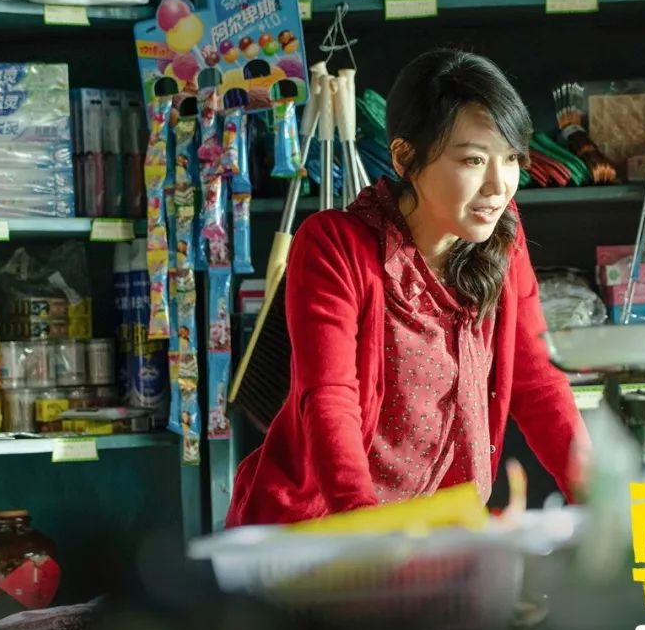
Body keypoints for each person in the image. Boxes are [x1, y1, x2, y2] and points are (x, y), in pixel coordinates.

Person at [226, 49, 588, 526]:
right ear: (405, 157)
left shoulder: (502, 239)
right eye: (474, 160)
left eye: (511, 159)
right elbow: (329, 398)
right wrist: (365, 528)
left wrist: (596, 497)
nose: (498, 185)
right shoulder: (334, 244)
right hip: (322, 531)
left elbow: (539, 385)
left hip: (437, 532)